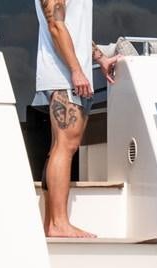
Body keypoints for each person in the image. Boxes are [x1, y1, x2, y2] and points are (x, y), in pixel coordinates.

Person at [34, 0, 119, 238]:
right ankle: (59, 224)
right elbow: (56, 27)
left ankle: (52, 223)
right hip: (64, 77)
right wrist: (75, 70)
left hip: (69, 75)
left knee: (59, 147)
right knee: (65, 145)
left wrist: (100, 58)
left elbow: (73, 28)